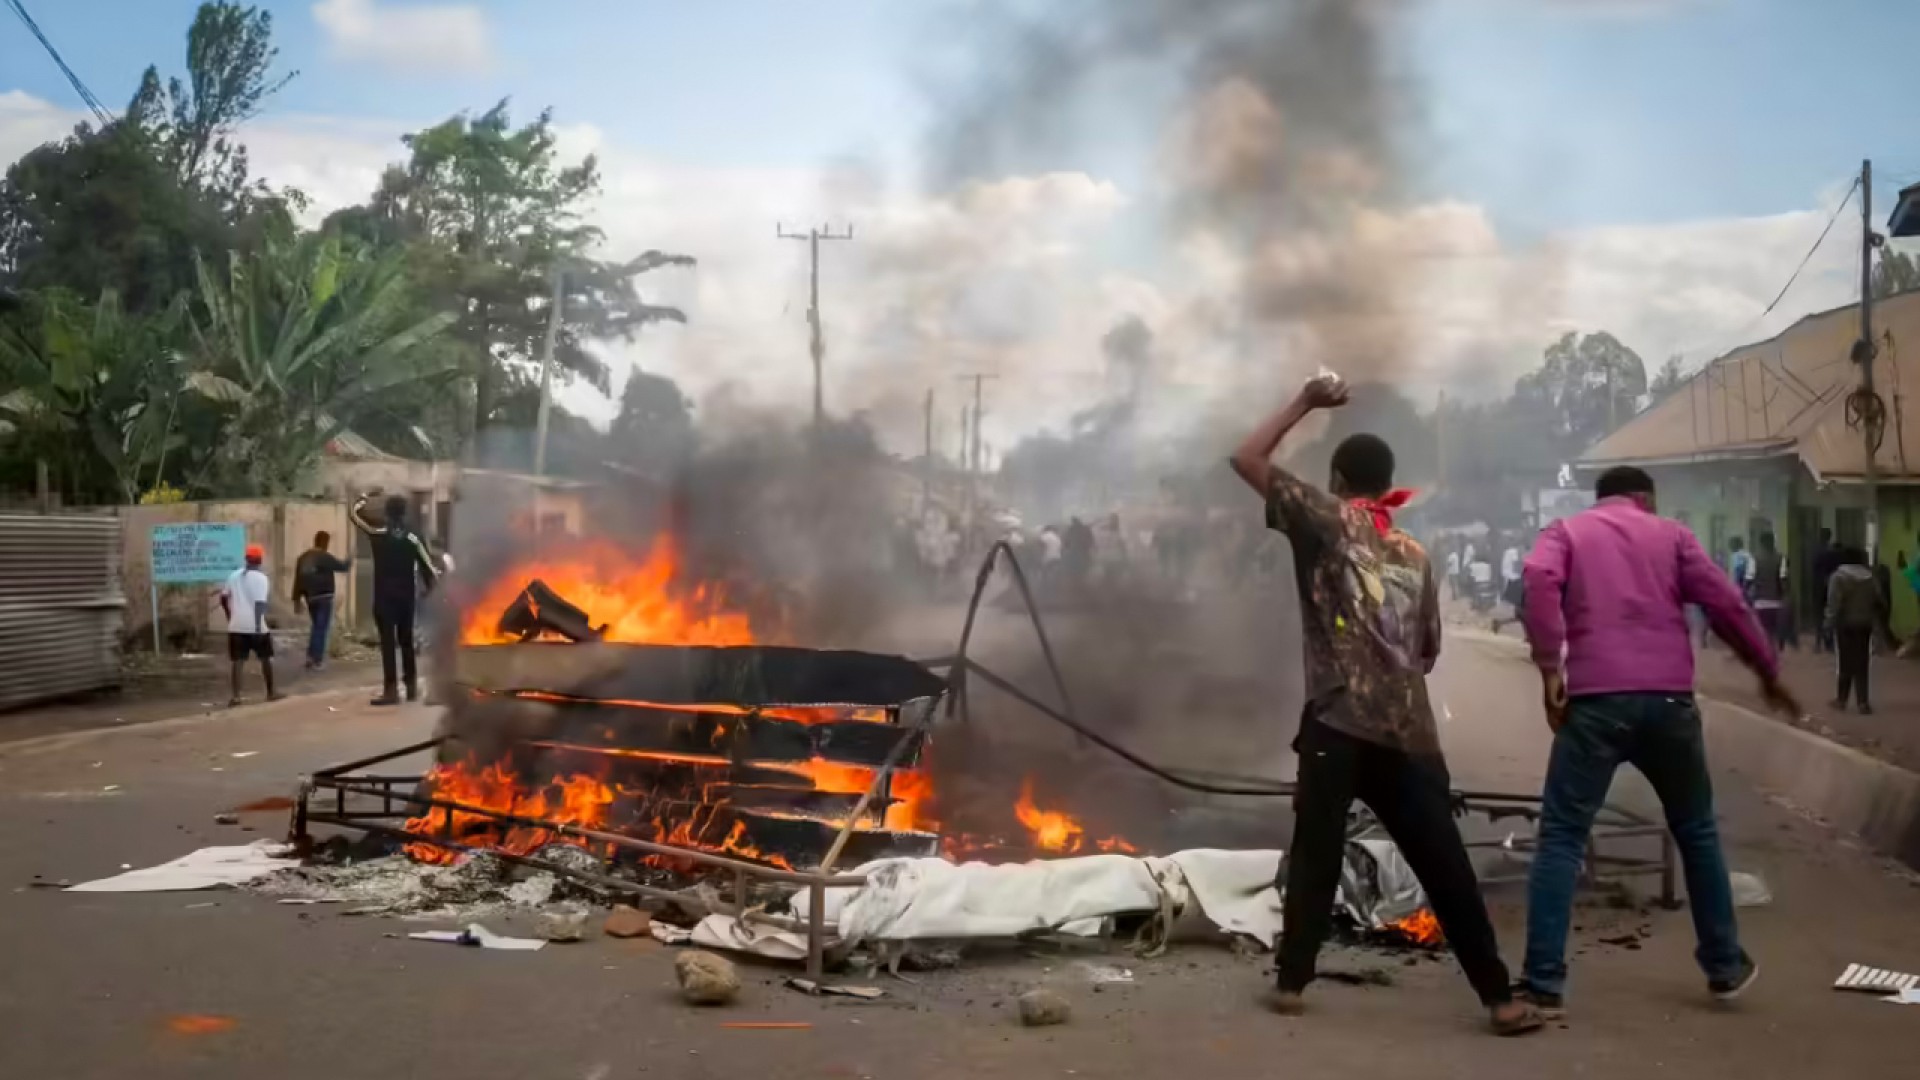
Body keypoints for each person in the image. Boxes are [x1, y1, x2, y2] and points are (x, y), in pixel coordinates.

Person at [1230, 372, 1541, 1037]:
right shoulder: (1417, 554)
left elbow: (1246, 460)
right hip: (1409, 731)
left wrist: (1303, 404)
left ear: (1340, 480)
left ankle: (1291, 986)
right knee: (1445, 863)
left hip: (1336, 721)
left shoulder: (1322, 519)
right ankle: (1499, 998)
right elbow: (1427, 651)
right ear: (1386, 484)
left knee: (1316, 850)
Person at [1517, 466, 1797, 1018]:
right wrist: (1767, 670)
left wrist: (1551, 667)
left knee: (1562, 836)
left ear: (1601, 498)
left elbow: (1536, 578)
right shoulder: (1673, 536)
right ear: (1645, 498)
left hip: (1595, 704)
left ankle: (1543, 981)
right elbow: (1727, 604)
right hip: (1670, 703)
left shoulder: (1566, 533)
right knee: (1695, 829)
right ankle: (1724, 964)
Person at [350, 492, 440, 706]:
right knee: (407, 641)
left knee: (388, 644)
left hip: (384, 598)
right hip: (406, 598)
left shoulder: (379, 532)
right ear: (405, 512)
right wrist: (429, 589)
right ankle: (411, 687)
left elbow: (354, 516)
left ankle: (391, 691)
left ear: (387, 513)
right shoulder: (413, 537)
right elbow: (429, 568)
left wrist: (361, 500)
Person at [219, 543, 281, 707]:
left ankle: (236, 696)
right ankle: (271, 692)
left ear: (246, 558)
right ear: (260, 560)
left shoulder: (233, 576)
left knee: (238, 661)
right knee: (266, 658)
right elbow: (260, 603)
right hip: (256, 625)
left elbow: (223, 598)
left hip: (236, 625)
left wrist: (230, 615)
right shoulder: (262, 579)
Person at [1826, 546, 1882, 714]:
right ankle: (1863, 702)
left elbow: (1834, 603)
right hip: (1864, 624)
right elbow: (1879, 599)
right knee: (1862, 663)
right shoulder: (1870, 578)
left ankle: (1841, 700)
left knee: (1845, 662)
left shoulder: (1839, 577)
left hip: (1845, 625)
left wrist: (1828, 622)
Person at [291, 531, 351, 671]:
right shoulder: (324, 556)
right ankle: (315, 659)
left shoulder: (303, 558)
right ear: (325, 542)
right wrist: (350, 559)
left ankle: (311, 656)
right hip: (324, 596)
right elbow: (342, 567)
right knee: (320, 628)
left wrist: (297, 600)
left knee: (316, 627)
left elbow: (298, 581)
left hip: (310, 598)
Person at [1749, 532, 1790, 652]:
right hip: (1776, 600)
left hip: (1760, 601)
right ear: (1773, 542)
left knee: (1762, 628)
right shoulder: (1780, 558)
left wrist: (1747, 594)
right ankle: (1772, 650)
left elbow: (1749, 579)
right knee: (1773, 629)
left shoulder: (1754, 558)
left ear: (1760, 544)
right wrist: (1785, 596)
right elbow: (1783, 579)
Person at [1810, 529, 1841, 653]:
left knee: (1818, 615)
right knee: (1830, 613)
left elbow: (1813, 568)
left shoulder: (1815, 551)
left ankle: (1818, 643)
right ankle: (1830, 643)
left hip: (1818, 585)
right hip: (1830, 584)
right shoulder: (1833, 552)